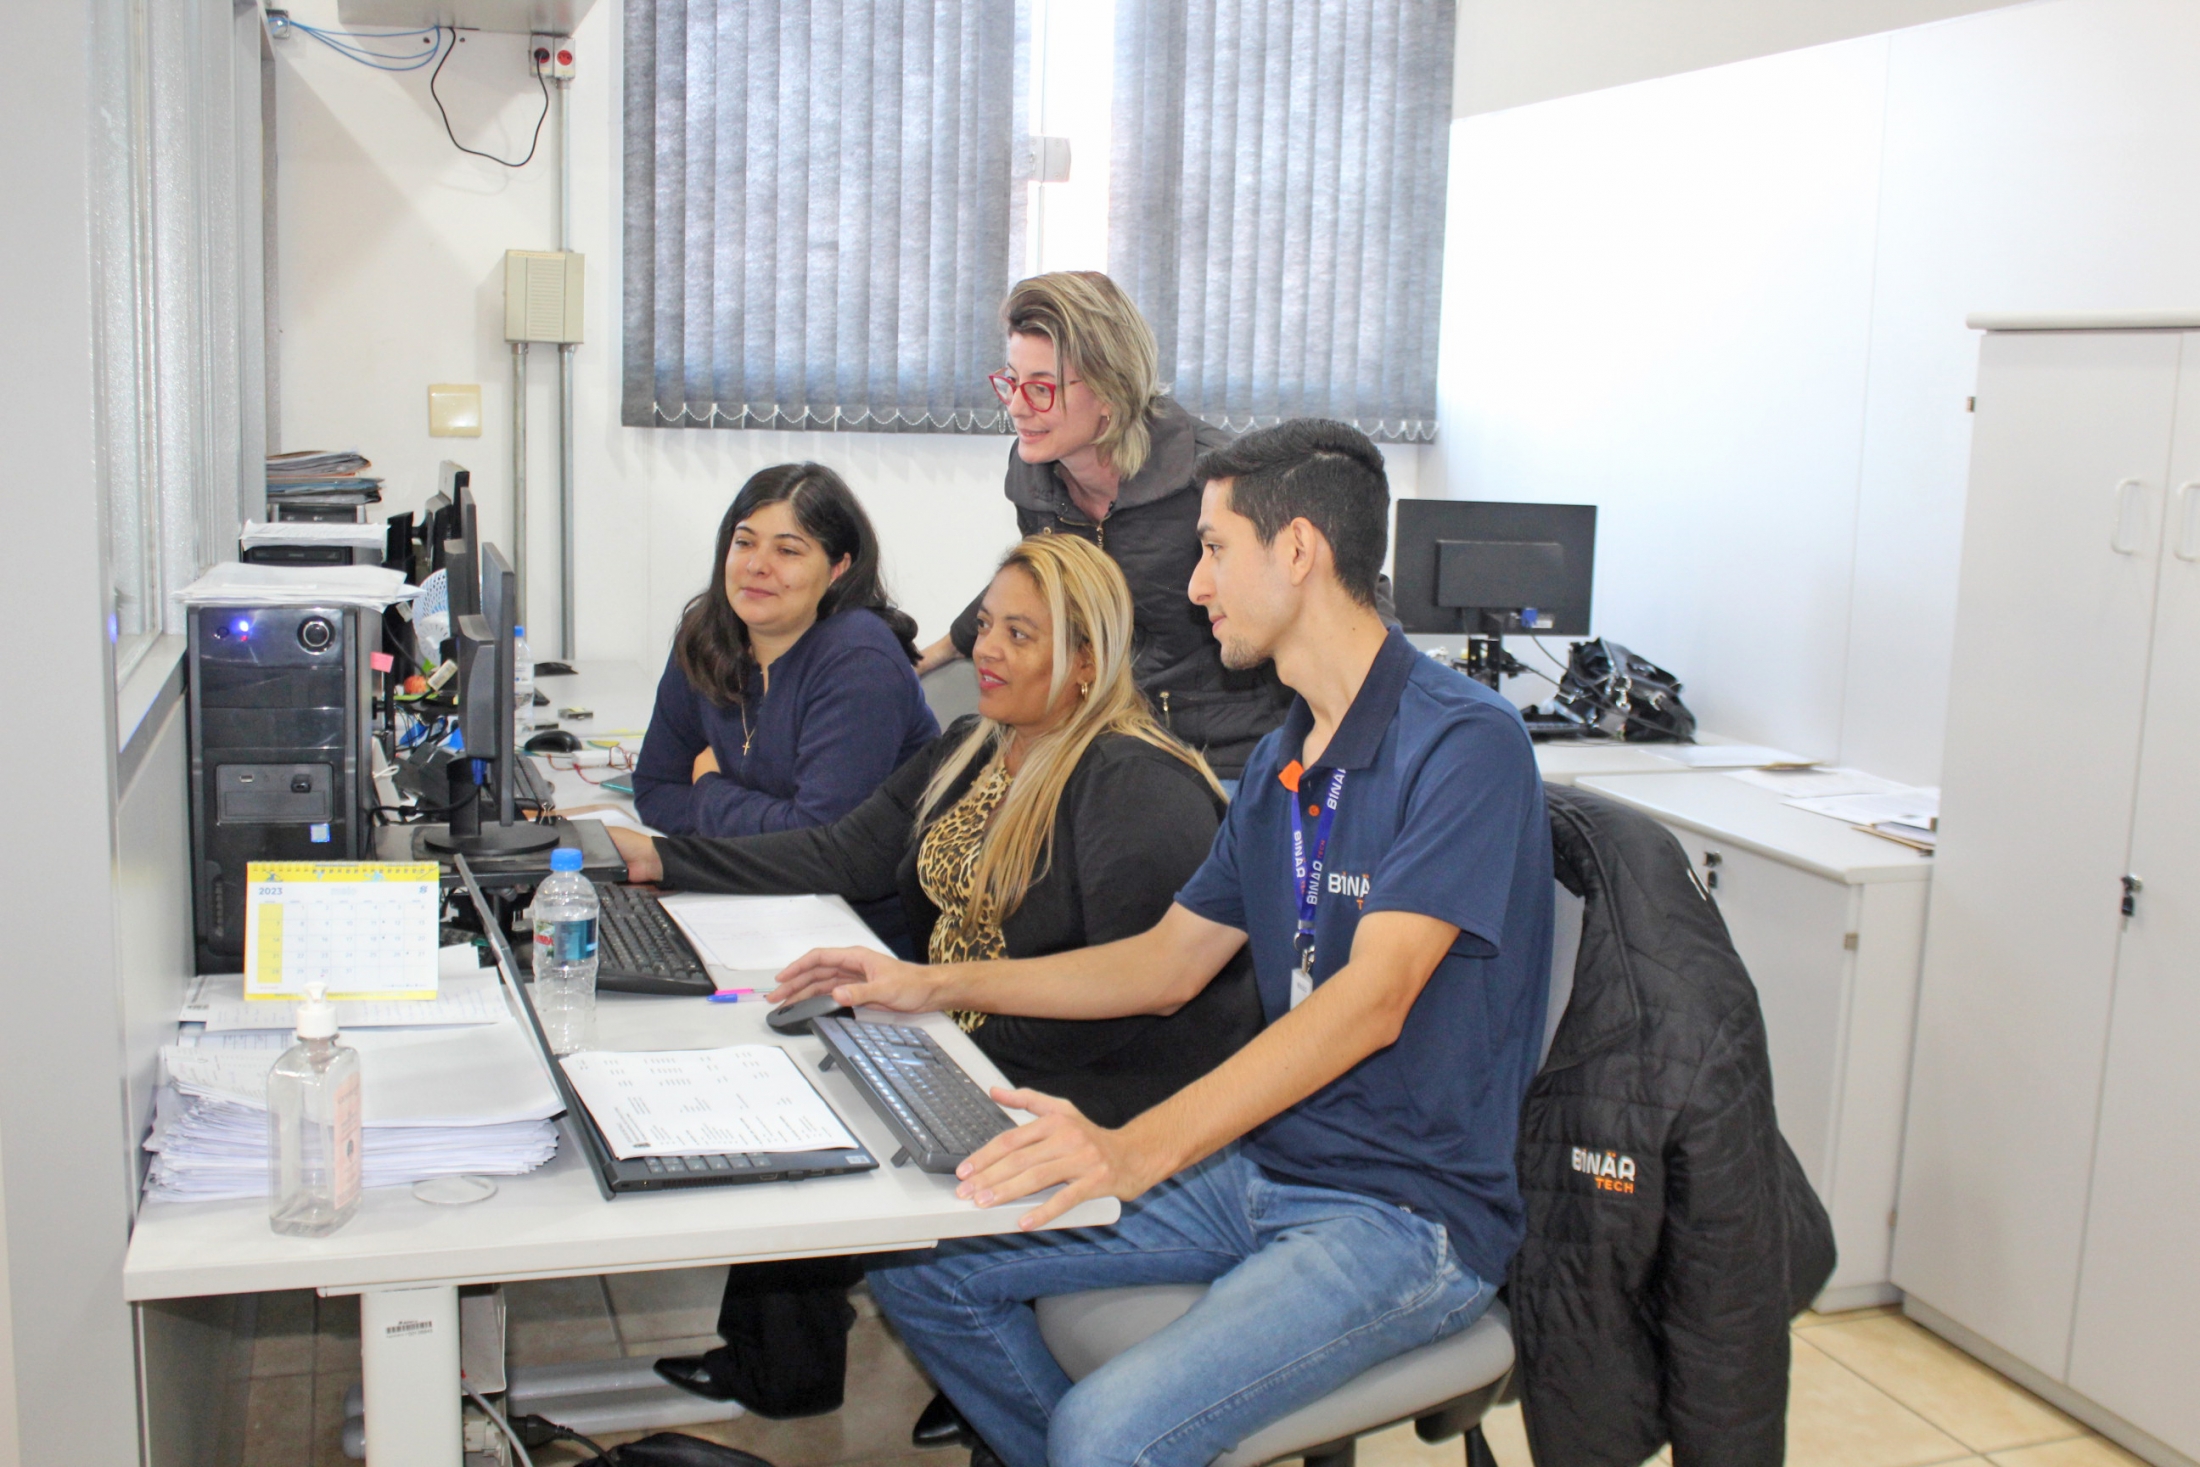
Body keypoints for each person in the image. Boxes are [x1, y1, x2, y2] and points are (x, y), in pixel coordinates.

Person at [768, 420, 1554, 1467]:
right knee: (924, 1263)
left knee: (1102, 1431)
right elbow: (1166, 962)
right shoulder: (1285, 757)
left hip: (1407, 1215)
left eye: (1215, 548)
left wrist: (1134, 1150)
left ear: (1299, 550)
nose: (1194, 584)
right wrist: (926, 980)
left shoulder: (1464, 742)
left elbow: (1372, 1000)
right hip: (1269, 1164)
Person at [607, 532, 1263, 1420]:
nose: (986, 650)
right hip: (979, 1049)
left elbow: (1139, 1003)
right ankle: (791, 1366)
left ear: (1085, 662)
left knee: (866, 1182)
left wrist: (938, 1027)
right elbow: (844, 850)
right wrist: (665, 860)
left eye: (1020, 635)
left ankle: (1039, 1431)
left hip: (1098, 1102)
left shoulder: (1132, 782)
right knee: (799, 1078)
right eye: (986, 624)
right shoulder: (977, 743)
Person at [914, 271, 1291, 779]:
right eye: (1011, 382)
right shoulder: (1033, 474)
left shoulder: (1217, 478)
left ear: (1111, 391)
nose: (1018, 408)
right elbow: (1046, 580)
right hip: (1110, 737)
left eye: (1041, 388)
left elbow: (1334, 592)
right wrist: (937, 650)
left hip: (1230, 751)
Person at [631, 461, 938, 843]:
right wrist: (760, 820)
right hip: (741, 873)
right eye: (744, 543)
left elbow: (816, 841)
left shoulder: (860, 660)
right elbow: (654, 789)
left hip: (864, 883)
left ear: (838, 569)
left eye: (787, 550)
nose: (757, 565)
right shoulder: (705, 635)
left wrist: (708, 789)